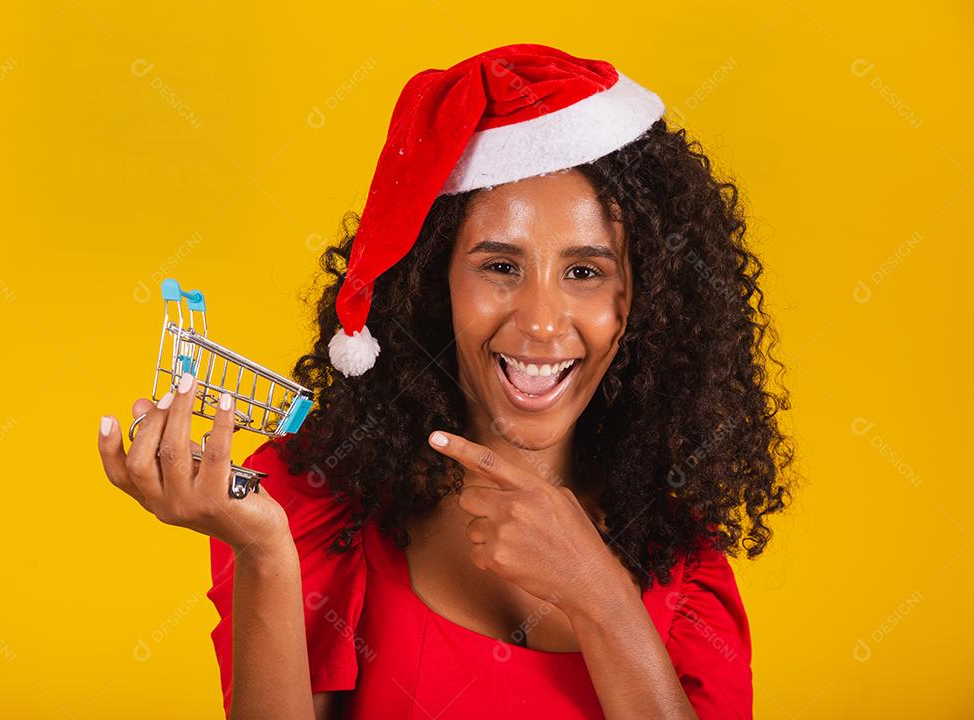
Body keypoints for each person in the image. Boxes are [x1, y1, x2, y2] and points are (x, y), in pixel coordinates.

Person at [98, 43, 795, 720]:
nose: (543, 322)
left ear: (640, 302)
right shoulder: (320, 514)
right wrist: (263, 554)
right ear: (435, 288)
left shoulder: (683, 567)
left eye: (585, 272)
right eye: (499, 267)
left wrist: (602, 597)